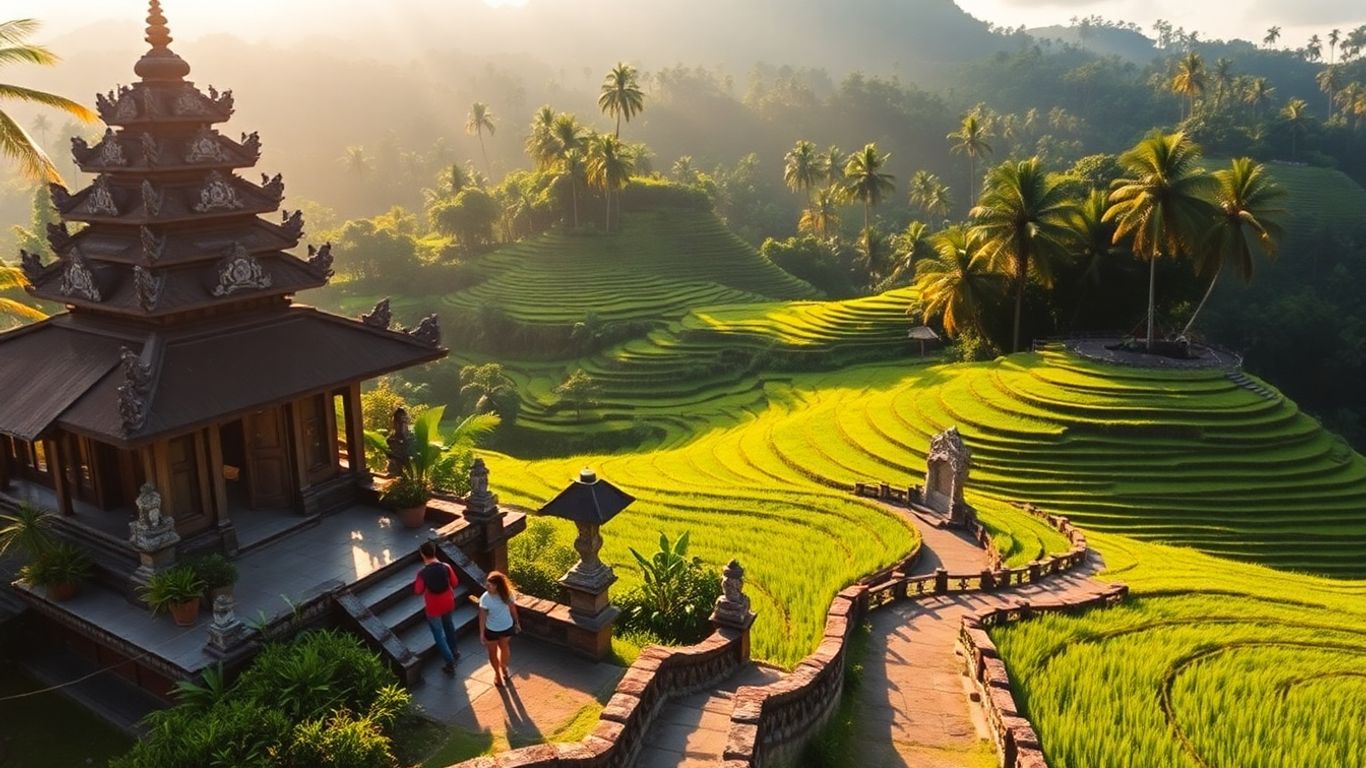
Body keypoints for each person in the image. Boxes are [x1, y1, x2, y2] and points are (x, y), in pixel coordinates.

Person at [413, 541, 459, 676]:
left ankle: (449, 661)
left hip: (433, 607)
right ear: (434, 551)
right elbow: (455, 583)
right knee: (449, 625)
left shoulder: (422, 573)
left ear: (422, 555)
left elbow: (418, 590)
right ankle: (455, 651)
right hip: (448, 602)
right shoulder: (446, 567)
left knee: (438, 634)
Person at [478, 571, 521, 686]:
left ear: (497, 586)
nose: (486, 587)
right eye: (486, 584)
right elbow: (482, 616)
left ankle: (504, 667)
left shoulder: (508, 594)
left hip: (506, 626)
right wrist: (482, 633)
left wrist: (516, 622)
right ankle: (498, 674)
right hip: (491, 629)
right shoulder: (485, 598)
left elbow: (513, 609)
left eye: (489, 585)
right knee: (492, 653)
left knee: (504, 648)